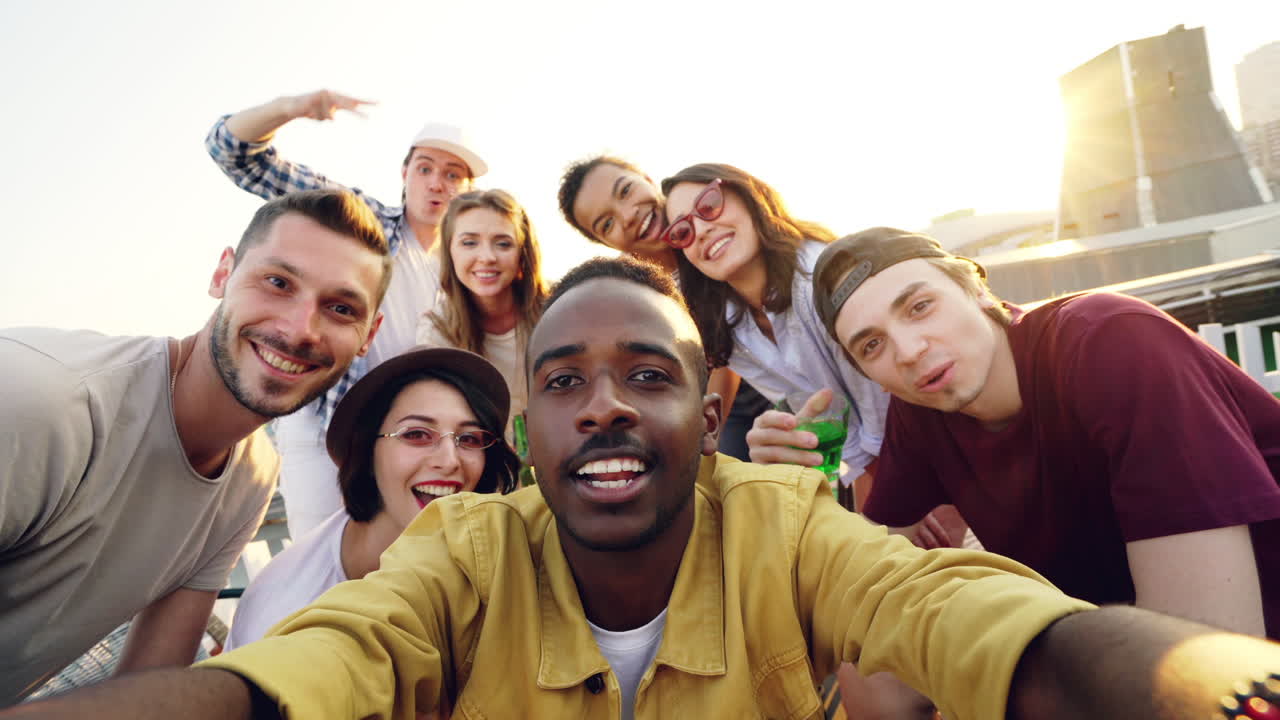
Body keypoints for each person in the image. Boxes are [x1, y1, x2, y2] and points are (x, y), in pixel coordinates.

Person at [11, 256, 1280, 720]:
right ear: (532, 429)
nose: (603, 404)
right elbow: (286, 681)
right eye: (560, 381)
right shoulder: (460, 557)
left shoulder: (787, 530)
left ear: (712, 409)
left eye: (644, 376)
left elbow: (997, 631)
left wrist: (1225, 692)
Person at [0, 188, 391, 705]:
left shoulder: (251, 476)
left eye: (340, 308)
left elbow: (145, 692)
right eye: (278, 283)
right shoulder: (41, 403)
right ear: (222, 275)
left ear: (369, 335)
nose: (300, 329)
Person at [804, 226, 1280, 640]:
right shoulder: (922, 407)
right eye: (872, 345)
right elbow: (867, 582)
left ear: (976, 290)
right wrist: (798, 488)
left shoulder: (1111, 342)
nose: (907, 350)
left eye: (920, 306)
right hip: (1111, 652)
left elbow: (1204, 652)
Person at [207, 89, 487, 537]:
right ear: (405, 174)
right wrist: (294, 108)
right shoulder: (365, 225)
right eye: (426, 169)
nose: (437, 183)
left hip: (415, 441)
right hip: (330, 428)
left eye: (453, 175)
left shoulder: (471, 267)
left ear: (470, 191)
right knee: (319, 555)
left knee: (406, 565)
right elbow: (235, 153)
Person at [225, 345, 518, 651]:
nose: (449, 461)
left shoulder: (507, 567)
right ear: (367, 450)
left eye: (469, 439)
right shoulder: (287, 612)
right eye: (416, 434)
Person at [661, 163, 889, 500]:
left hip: (930, 437)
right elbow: (828, 416)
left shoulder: (821, 278)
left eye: (708, 205)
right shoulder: (729, 325)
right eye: (683, 231)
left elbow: (880, 416)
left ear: (750, 195)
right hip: (875, 465)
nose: (702, 229)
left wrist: (896, 502)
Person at [558, 155, 772, 462]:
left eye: (625, 191)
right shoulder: (634, 291)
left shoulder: (707, 227)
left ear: (646, 178)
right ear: (604, 242)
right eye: (607, 223)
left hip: (768, 373)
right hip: (716, 397)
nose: (627, 215)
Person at [416, 189, 547, 442]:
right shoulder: (437, 329)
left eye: (503, 243)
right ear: (450, 251)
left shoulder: (556, 309)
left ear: (522, 253)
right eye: (469, 243)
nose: (487, 257)